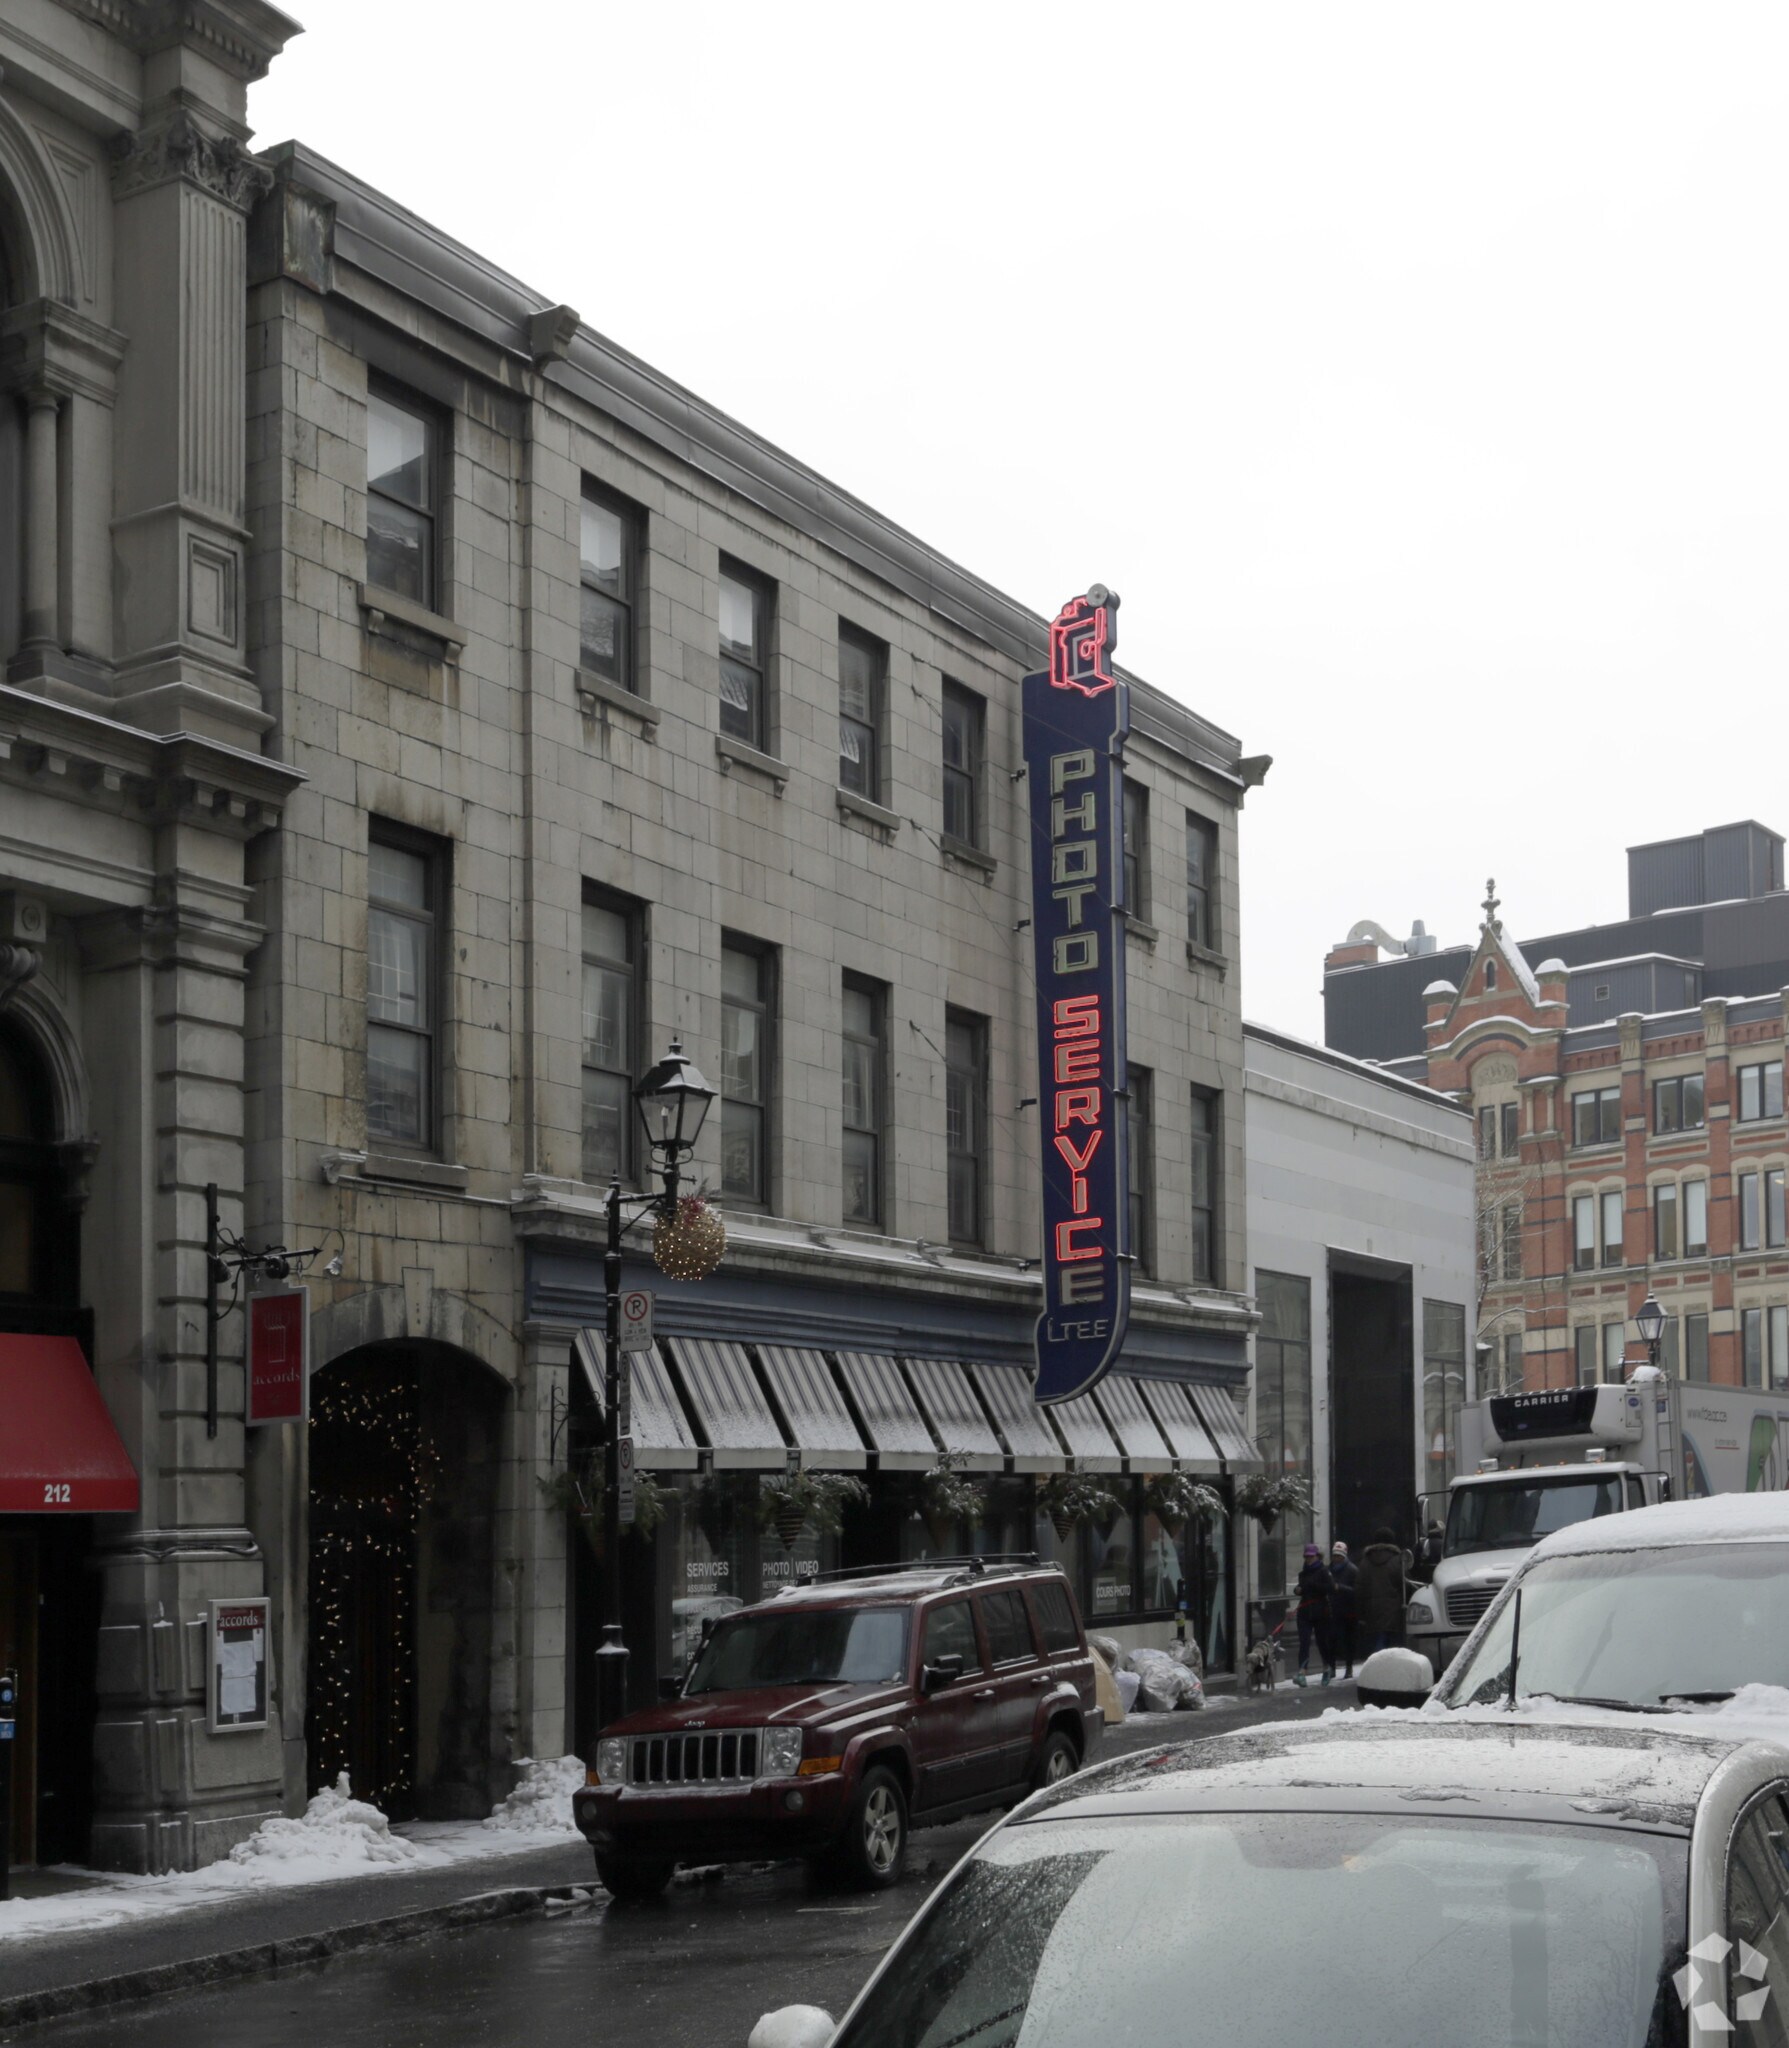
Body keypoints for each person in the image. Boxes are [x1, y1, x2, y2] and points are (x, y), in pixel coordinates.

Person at [1355, 1527, 1409, 1655]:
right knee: (1394, 1647)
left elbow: (1359, 1589)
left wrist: (1360, 1614)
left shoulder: (1365, 1562)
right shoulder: (1397, 1560)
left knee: (1377, 1644)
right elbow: (1406, 1584)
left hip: (1371, 1610)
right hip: (1394, 1611)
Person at [1292, 1543, 1334, 1686]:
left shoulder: (1324, 1571)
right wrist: (1298, 1590)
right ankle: (1302, 1672)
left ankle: (1326, 1668)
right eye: (1306, 1556)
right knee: (1304, 1642)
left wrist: (1313, 1585)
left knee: (1322, 1642)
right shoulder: (1303, 1573)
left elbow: (1330, 1588)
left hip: (1321, 1611)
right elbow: (1302, 1588)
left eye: (1311, 1556)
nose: (1308, 1559)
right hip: (1304, 1612)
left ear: (1317, 1556)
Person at [1328, 1540, 1359, 1678]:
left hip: (1349, 1611)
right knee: (1332, 1639)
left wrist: (1340, 1587)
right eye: (1335, 1555)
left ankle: (1349, 1667)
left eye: (1339, 1556)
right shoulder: (1328, 1570)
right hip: (1332, 1610)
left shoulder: (1352, 1570)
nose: (1336, 1558)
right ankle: (1332, 1667)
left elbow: (1357, 1591)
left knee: (1349, 1640)